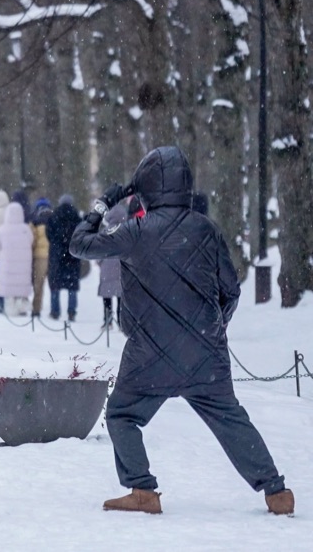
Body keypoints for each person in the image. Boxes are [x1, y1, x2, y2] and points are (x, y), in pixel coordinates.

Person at [71, 146, 293, 516]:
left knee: (123, 415)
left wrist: (102, 205)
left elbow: (79, 245)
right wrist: (211, 328)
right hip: (205, 355)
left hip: (149, 356)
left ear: (144, 189)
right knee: (230, 419)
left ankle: (142, 490)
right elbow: (231, 290)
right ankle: (276, 491)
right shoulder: (207, 230)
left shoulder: (135, 231)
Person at [0, 201, 33, 316]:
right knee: (20, 286)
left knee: (9, 289)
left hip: (8, 265)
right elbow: (31, 242)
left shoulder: (3, 229)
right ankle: (21, 307)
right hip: (23, 266)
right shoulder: (25, 229)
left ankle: (10, 309)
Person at [45, 195, 82, 320]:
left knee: (55, 284)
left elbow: (48, 234)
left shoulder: (53, 216)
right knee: (72, 285)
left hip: (57, 255)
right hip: (72, 255)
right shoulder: (77, 217)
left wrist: (57, 244)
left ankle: (55, 311)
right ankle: (71, 312)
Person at [96, 200, 128, 330]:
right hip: (122, 268)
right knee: (121, 297)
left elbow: (99, 251)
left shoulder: (105, 231)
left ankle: (108, 320)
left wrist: (100, 262)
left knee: (107, 295)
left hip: (107, 268)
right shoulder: (127, 231)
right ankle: (121, 321)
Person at [29, 198, 52, 318]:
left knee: (38, 284)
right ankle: (55, 309)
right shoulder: (54, 219)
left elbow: (32, 240)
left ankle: (36, 309)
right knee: (54, 285)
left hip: (39, 256)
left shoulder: (35, 220)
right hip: (52, 256)